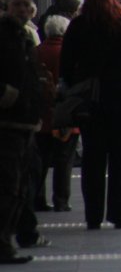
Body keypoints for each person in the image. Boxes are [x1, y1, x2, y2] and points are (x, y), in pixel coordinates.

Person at [61, 0, 121, 230]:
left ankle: (93, 216)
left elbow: (66, 65)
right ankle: (120, 216)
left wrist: (76, 88)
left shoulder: (78, 26)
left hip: (92, 103)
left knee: (93, 158)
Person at [4, 0, 50, 250]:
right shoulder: (6, 35)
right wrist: (6, 95)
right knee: (11, 183)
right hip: (9, 123)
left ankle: (21, 234)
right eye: (17, 4)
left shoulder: (24, 36)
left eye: (26, 5)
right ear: (8, 7)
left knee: (23, 181)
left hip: (25, 122)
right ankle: (9, 240)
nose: (22, 9)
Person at [36, 15, 77, 212]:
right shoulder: (70, 53)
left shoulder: (37, 52)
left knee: (40, 160)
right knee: (63, 160)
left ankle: (38, 199)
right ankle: (61, 200)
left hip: (41, 116)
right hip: (65, 116)